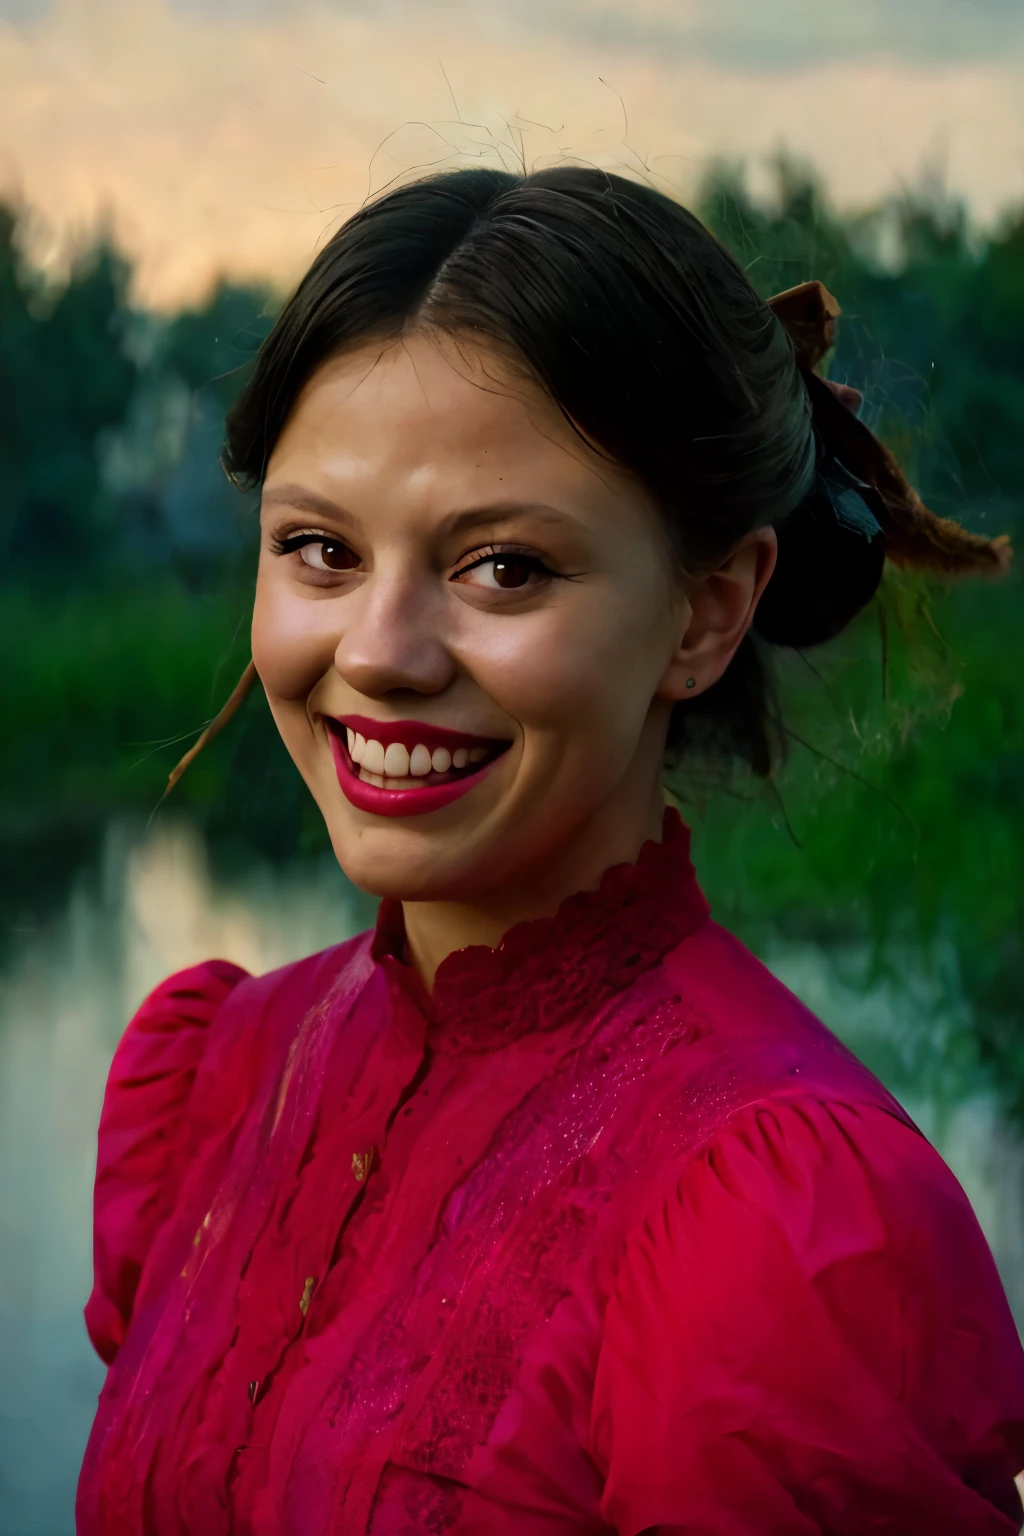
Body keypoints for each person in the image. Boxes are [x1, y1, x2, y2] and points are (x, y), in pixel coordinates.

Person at [77, 167, 1024, 1535]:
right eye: (319, 550)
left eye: (503, 568)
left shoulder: (774, 1228)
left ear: (705, 615)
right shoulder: (228, 1072)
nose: (380, 656)